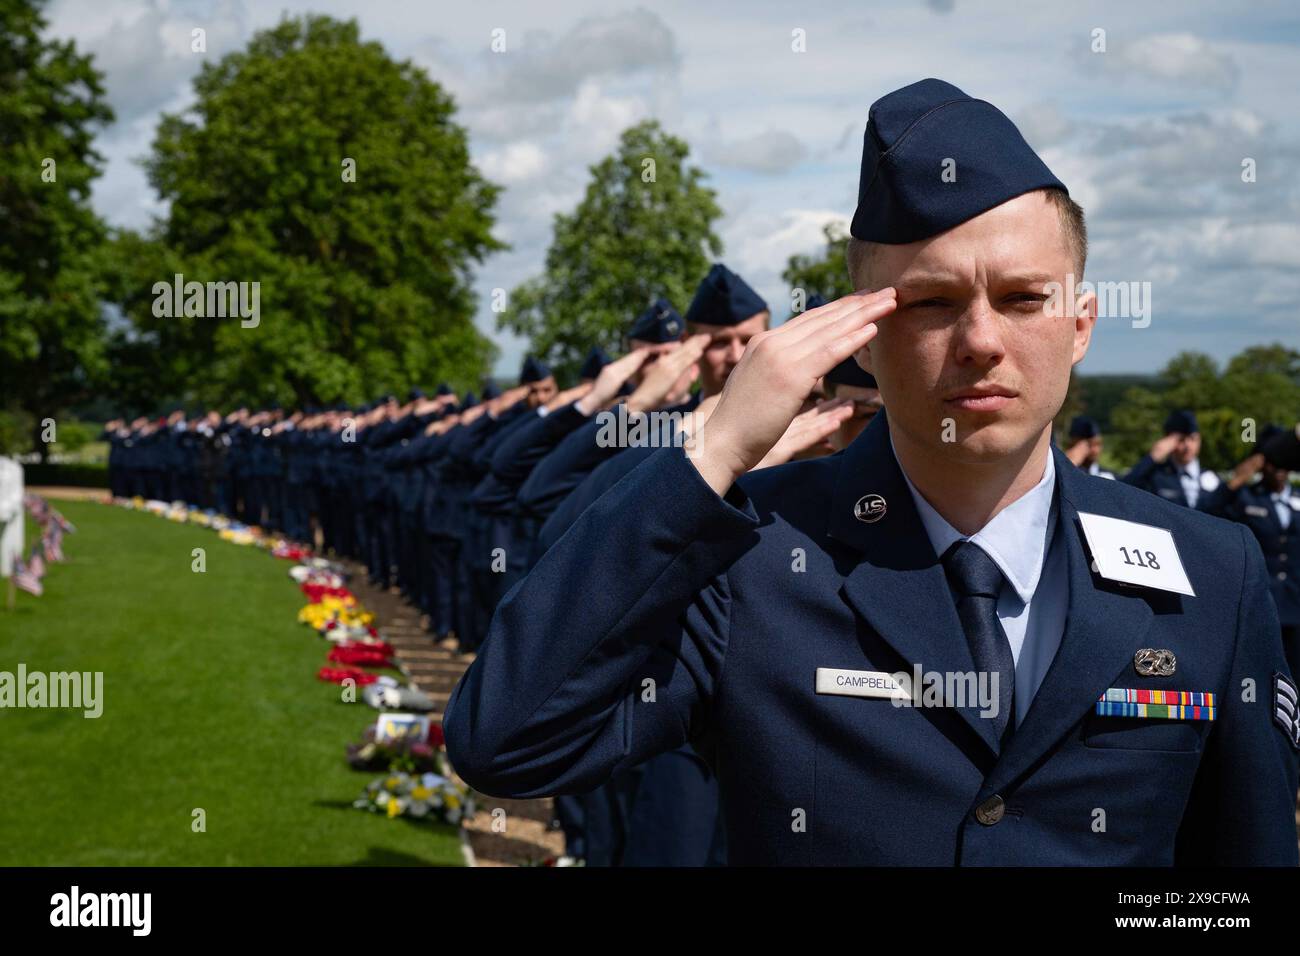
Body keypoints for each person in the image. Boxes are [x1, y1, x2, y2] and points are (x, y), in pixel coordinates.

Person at [445, 77, 1299, 865]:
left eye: (1023, 297)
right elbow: (506, 743)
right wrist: (712, 453)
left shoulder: (1209, 573)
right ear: (863, 335)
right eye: (929, 303)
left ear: (1081, 325)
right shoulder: (753, 564)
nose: (980, 341)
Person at [1201, 425, 1300, 682]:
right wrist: (1235, 481)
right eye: (1272, 462)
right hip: (1262, 604)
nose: (1278, 469)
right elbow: (1203, 514)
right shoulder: (1246, 498)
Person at [1122, 410, 1218, 507]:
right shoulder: (1156, 476)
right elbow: (1122, 489)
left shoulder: (1211, 477)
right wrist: (1153, 456)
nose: (1188, 446)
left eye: (1193, 438)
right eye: (1181, 440)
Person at [1063, 415, 1115, 479]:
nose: (1095, 450)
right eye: (1089, 445)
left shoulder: (1107, 475)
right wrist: (1067, 464)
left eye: (1098, 444)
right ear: (1073, 444)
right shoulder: (1063, 471)